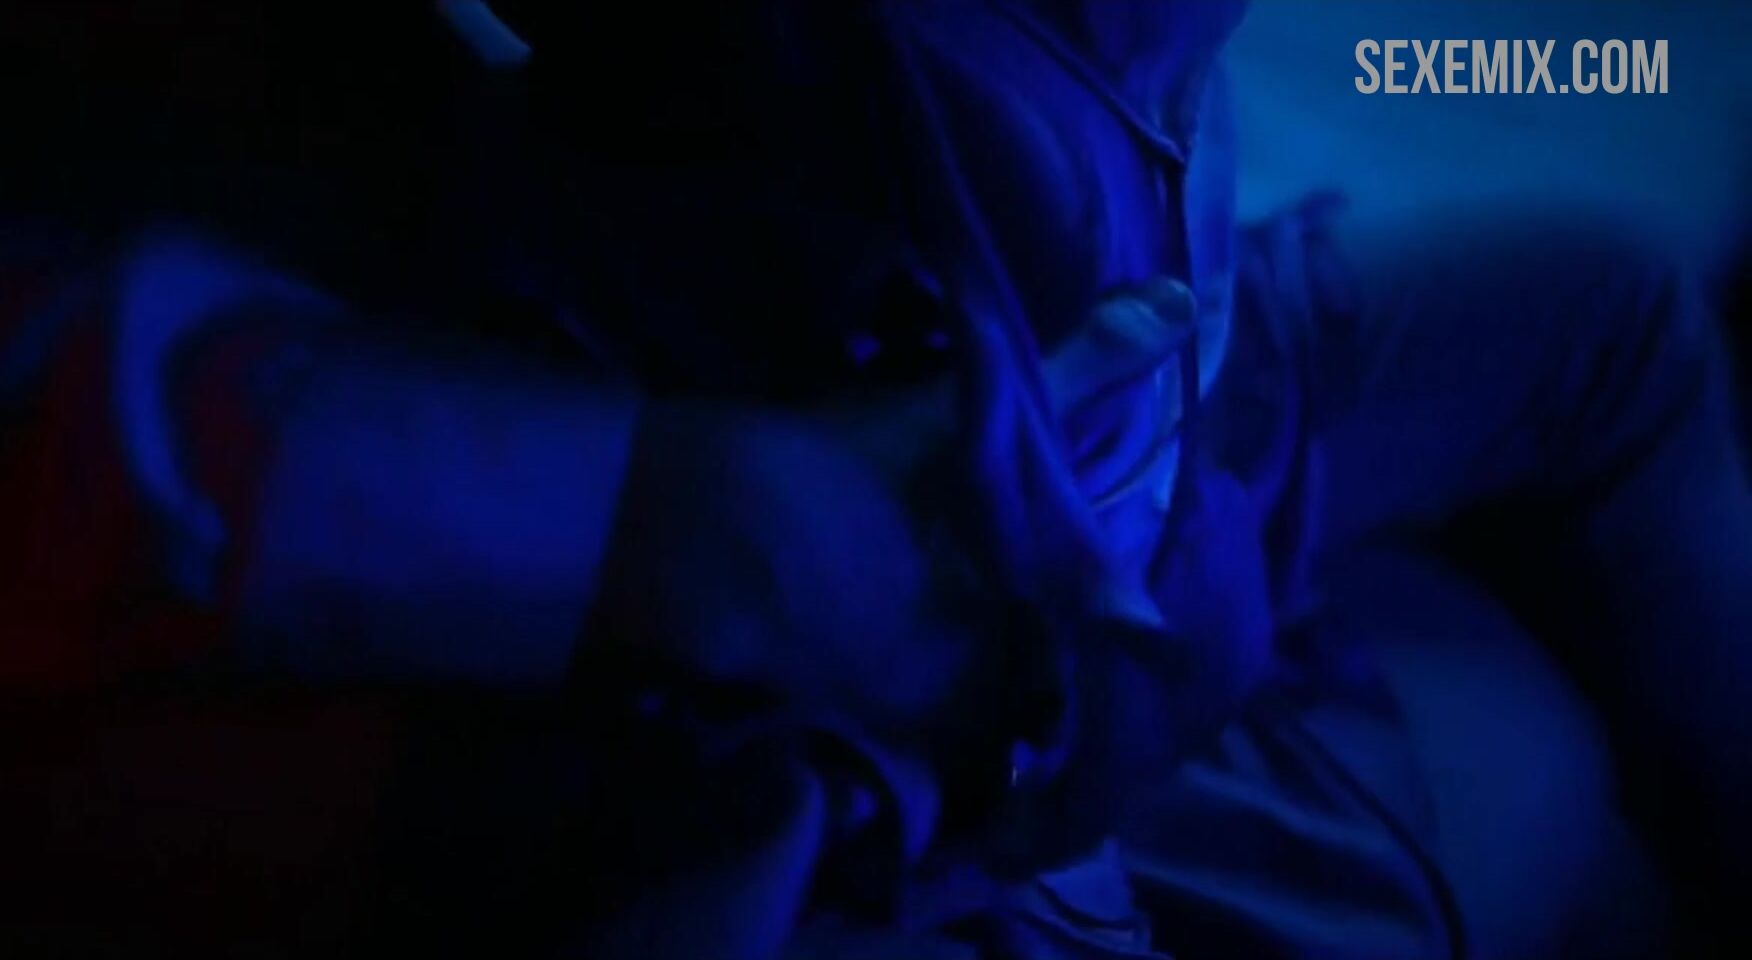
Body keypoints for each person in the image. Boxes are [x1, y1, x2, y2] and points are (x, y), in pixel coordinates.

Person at [1, 2, 1747, 956]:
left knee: (1605, 305)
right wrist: (667, 518)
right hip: (839, 671)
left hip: (1133, 431)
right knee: (1539, 816)